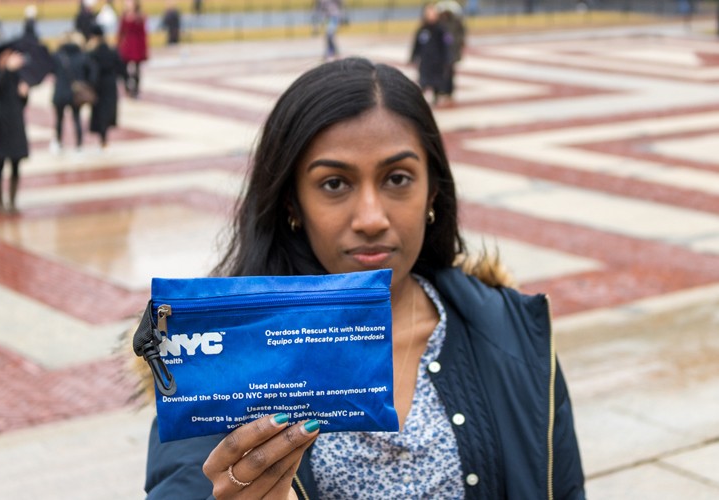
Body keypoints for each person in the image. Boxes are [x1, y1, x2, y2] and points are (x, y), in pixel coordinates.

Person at [140, 57, 586, 499]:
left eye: (397, 178)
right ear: (291, 204)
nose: (371, 218)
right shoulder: (219, 354)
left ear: (432, 190)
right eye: (334, 184)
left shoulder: (511, 332)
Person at [0, 48, 29, 214]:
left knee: (16, 163)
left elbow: (21, 103)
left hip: (15, 124)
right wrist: (6, 70)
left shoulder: (17, 76)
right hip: (0, 126)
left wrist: (24, 95)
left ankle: (13, 201)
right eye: (5, 57)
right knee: (0, 163)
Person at [50, 32, 93, 154]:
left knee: (59, 119)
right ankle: (79, 145)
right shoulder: (83, 56)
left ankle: (58, 143)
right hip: (76, 93)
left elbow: (52, 70)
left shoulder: (57, 56)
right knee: (77, 118)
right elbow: (90, 72)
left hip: (60, 92)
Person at [87, 24, 125, 150]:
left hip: (98, 85)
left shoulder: (93, 52)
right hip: (110, 84)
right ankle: (104, 138)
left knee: (100, 111)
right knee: (107, 110)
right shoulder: (111, 50)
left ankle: (102, 138)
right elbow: (121, 67)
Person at [410, 2, 452, 105]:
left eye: (433, 12)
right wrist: (413, 56)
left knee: (437, 82)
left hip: (437, 61)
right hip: (425, 61)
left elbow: (446, 45)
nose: (430, 15)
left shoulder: (441, 29)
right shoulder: (422, 29)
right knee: (423, 81)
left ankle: (436, 98)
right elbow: (416, 44)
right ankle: (421, 102)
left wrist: (447, 59)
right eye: (428, 12)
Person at [117, 0, 148, 98]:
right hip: (127, 45)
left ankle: (136, 89)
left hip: (137, 45)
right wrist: (118, 45)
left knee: (137, 69)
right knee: (124, 68)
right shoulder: (124, 16)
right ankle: (127, 87)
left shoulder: (140, 17)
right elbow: (120, 32)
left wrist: (144, 48)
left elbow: (143, 33)